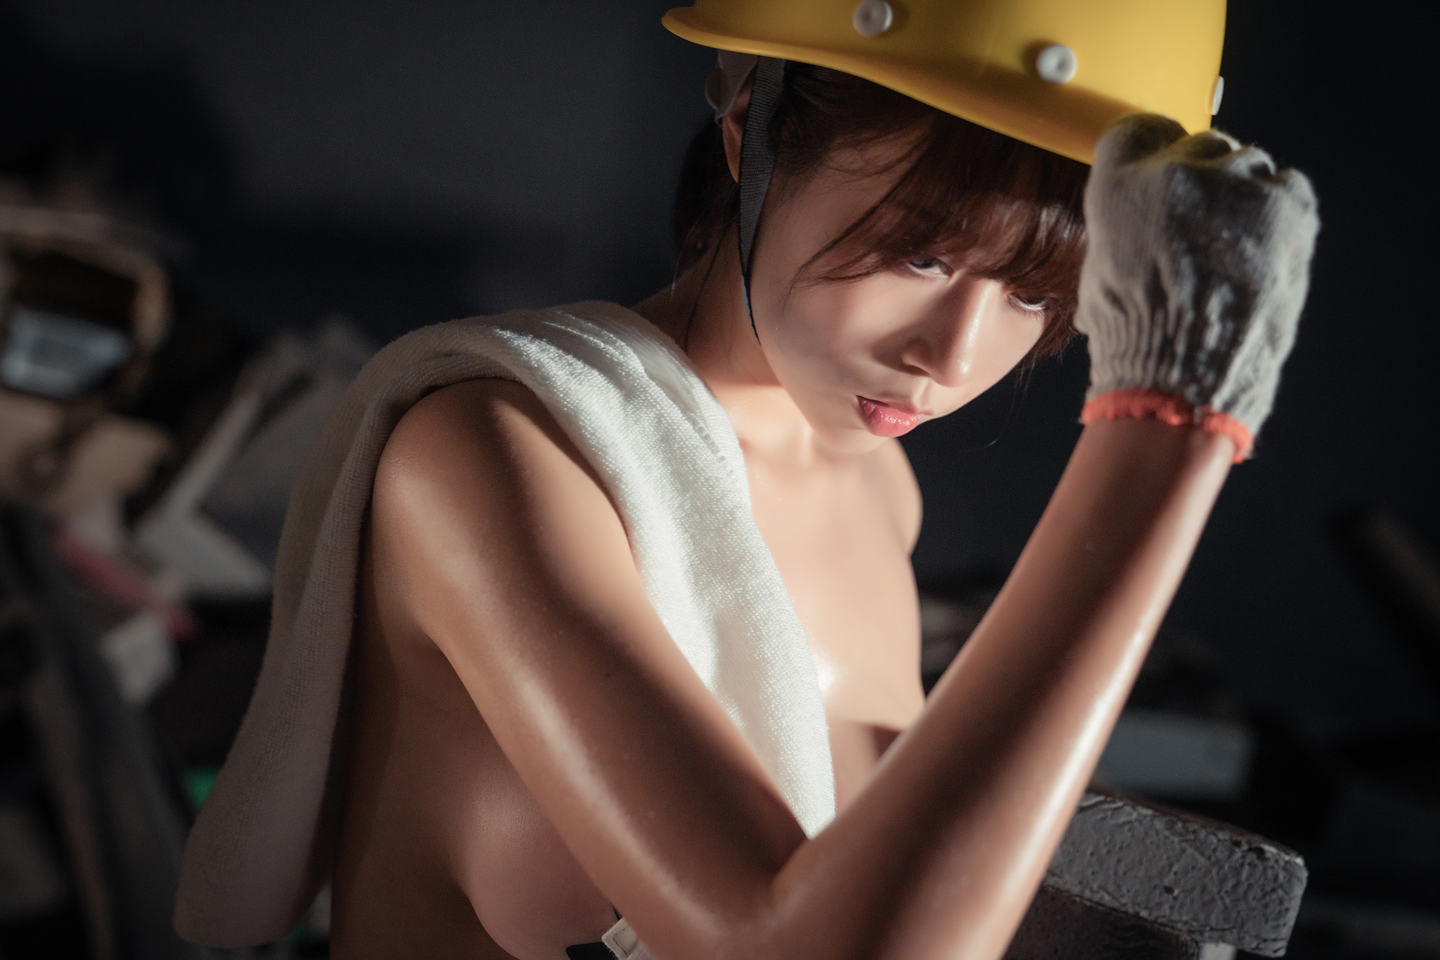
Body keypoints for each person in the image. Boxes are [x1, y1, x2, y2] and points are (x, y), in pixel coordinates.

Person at [172, 1, 1318, 958]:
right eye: (922, 252)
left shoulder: (877, 493)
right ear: (747, 131)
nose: (954, 356)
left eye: (1032, 292)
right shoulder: (503, 456)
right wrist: (1164, 434)